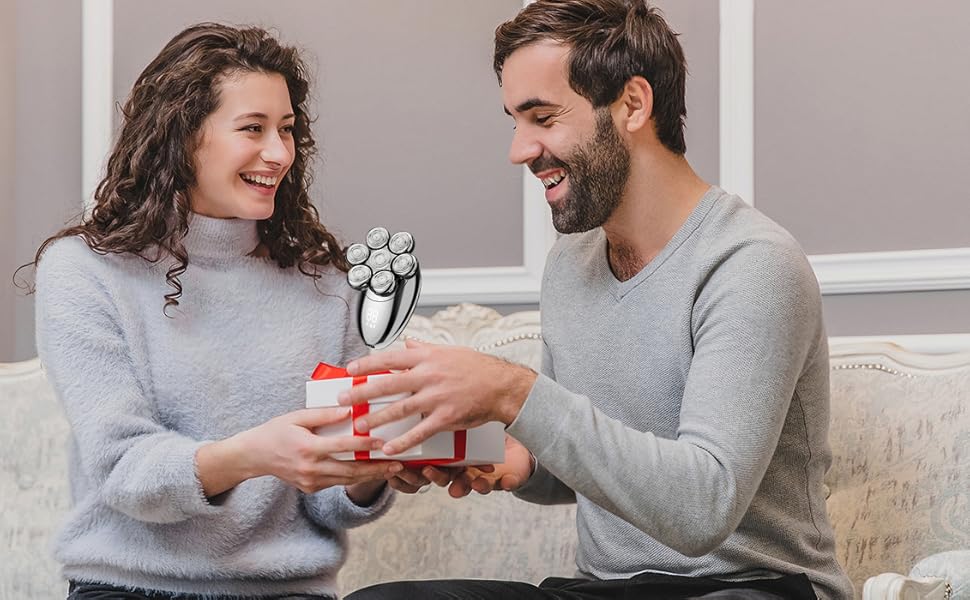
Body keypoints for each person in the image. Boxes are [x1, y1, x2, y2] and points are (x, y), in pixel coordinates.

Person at [342, 1, 853, 599]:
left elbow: (702, 507)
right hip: (606, 589)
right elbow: (595, 457)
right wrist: (512, 457)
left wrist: (512, 391)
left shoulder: (750, 263)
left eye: (543, 118)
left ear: (632, 104)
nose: (520, 150)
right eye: (515, 121)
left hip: (751, 587)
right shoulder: (572, 263)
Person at [24, 23, 404, 600]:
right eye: (252, 128)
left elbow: (329, 501)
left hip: (288, 591)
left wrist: (375, 464)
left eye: (287, 130)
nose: (277, 154)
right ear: (181, 139)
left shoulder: (328, 280)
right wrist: (253, 455)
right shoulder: (83, 270)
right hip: (130, 587)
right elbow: (126, 473)